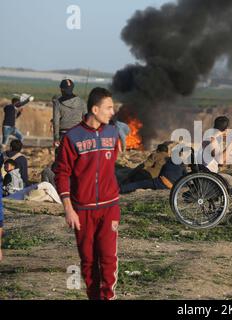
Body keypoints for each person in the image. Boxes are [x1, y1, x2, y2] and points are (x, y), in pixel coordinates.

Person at [54, 87, 121, 300]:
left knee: (109, 258)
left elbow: (111, 165)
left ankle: (108, 297)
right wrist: (68, 209)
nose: (112, 111)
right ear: (94, 109)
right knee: (89, 261)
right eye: (108, 107)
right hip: (82, 210)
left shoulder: (113, 132)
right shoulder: (72, 137)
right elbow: (62, 173)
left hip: (110, 206)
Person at [120, 157, 187, 194]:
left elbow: (161, 174)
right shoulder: (182, 165)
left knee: (139, 184)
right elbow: (186, 177)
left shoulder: (167, 163)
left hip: (161, 182)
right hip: (172, 185)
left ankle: (120, 189)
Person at [52, 79, 87, 148]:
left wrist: (56, 138)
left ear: (61, 89)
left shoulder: (57, 103)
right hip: (79, 135)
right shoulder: (82, 102)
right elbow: (86, 120)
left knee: (61, 157)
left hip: (64, 136)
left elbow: (56, 122)